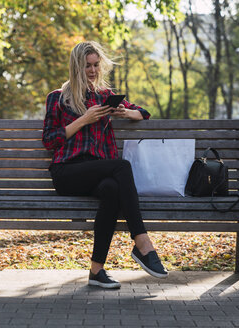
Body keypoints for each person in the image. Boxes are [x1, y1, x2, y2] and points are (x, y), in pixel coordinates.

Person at [42, 41, 168, 289]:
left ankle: (96, 271)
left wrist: (125, 113)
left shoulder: (105, 96)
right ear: (76, 67)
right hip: (67, 172)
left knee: (111, 190)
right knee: (121, 167)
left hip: (97, 174)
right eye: (87, 65)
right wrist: (84, 119)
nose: (92, 70)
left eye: (96, 65)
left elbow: (144, 112)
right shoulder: (58, 98)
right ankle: (142, 243)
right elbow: (49, 140)